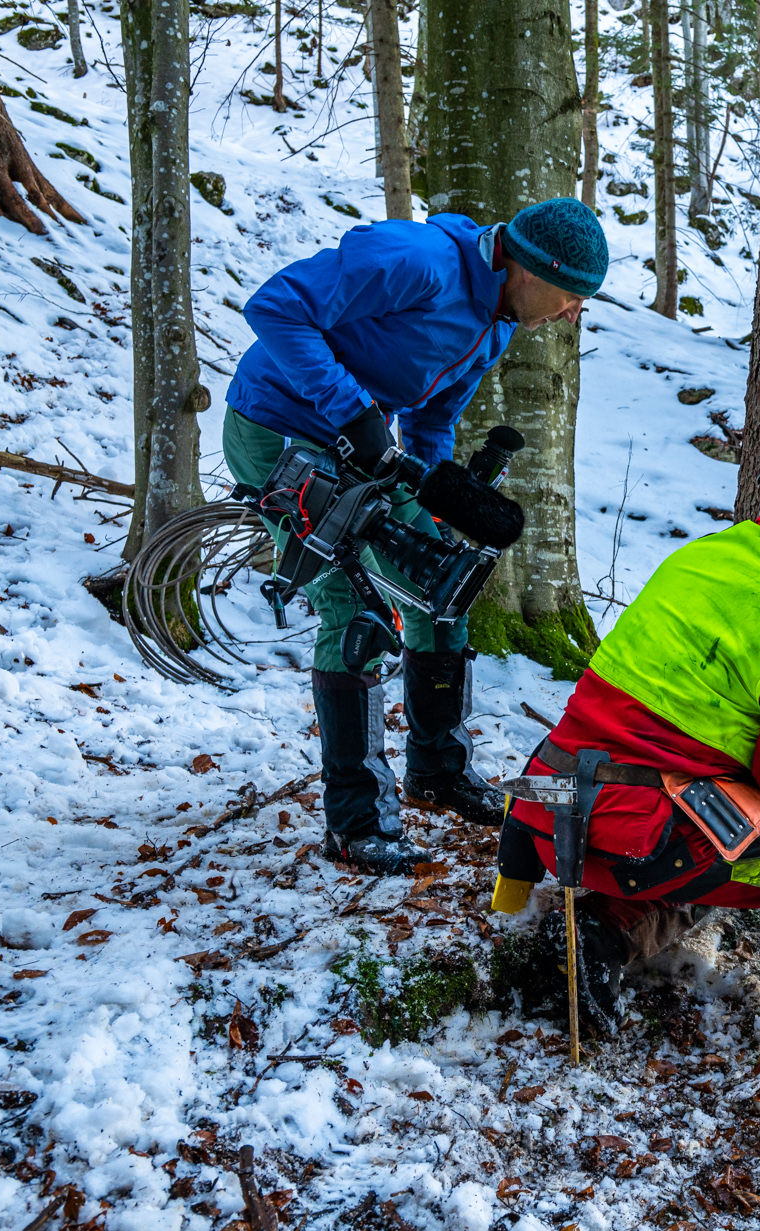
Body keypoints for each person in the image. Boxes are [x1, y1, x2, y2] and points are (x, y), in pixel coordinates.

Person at [491, 436, 760, 1127]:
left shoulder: (705, 558)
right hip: (642, 834)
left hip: (560, 808)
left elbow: (744, 643)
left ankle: (598, 936)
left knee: (725, 818)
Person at [222, 198, 609, 875]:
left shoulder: (495, 323)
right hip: (278, 429)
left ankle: (438, 769)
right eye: (572, 296)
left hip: (361, 451)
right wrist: (353, 412)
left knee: (443, 585)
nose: (573, 314)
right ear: (528, 267)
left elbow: (430, 421)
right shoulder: (417, 261)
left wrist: (441, 494)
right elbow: (275, 307)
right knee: (354, 607)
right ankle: (356, 822)